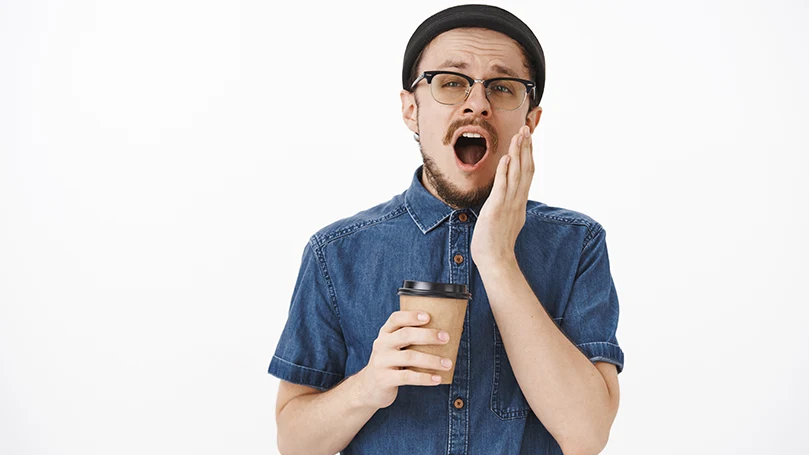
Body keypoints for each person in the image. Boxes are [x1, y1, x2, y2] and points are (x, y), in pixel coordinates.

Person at [268, 4, 624, 454]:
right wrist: (368, 386)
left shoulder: (576, 245)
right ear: (410, 110)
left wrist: (498, 261)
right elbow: (294, 442)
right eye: (452, 83)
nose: (477, 103)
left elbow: (587, 435)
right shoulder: (336, 253)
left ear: (529, 122)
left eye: (502, 87)